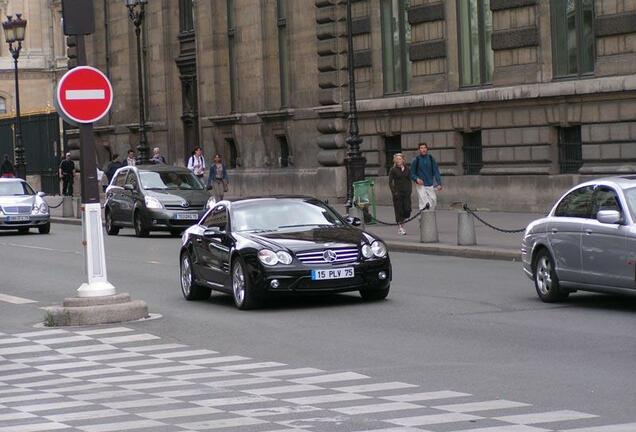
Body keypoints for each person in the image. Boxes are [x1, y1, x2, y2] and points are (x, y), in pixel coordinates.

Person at [410, 142, 442, 211]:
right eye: (421, 148)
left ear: (427, 149)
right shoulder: (416, 160)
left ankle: (427, 218)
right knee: (424, 203)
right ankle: (423, 218)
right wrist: (417, 179)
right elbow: (411, 173)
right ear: (419, 150)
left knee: (433, 201)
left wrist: (439, 183)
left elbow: (436, 171)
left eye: (425, 148)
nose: (423, 149)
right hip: (421, 185)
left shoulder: (430, 158)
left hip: (430, 184)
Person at [389, 153, 412, 235]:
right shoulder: (393, 169)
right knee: (399, 211)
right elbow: (390, 182)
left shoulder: (407, 169)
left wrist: (410, 190)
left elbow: (409, 180)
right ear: (395, 160)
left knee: (407, 210)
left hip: (406, 192)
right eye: (397, 159)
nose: (398, 160)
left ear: (403, 160)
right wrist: (394, 192)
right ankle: (401, 228)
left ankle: (402, 223)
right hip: (397, 193)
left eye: (400, 159)